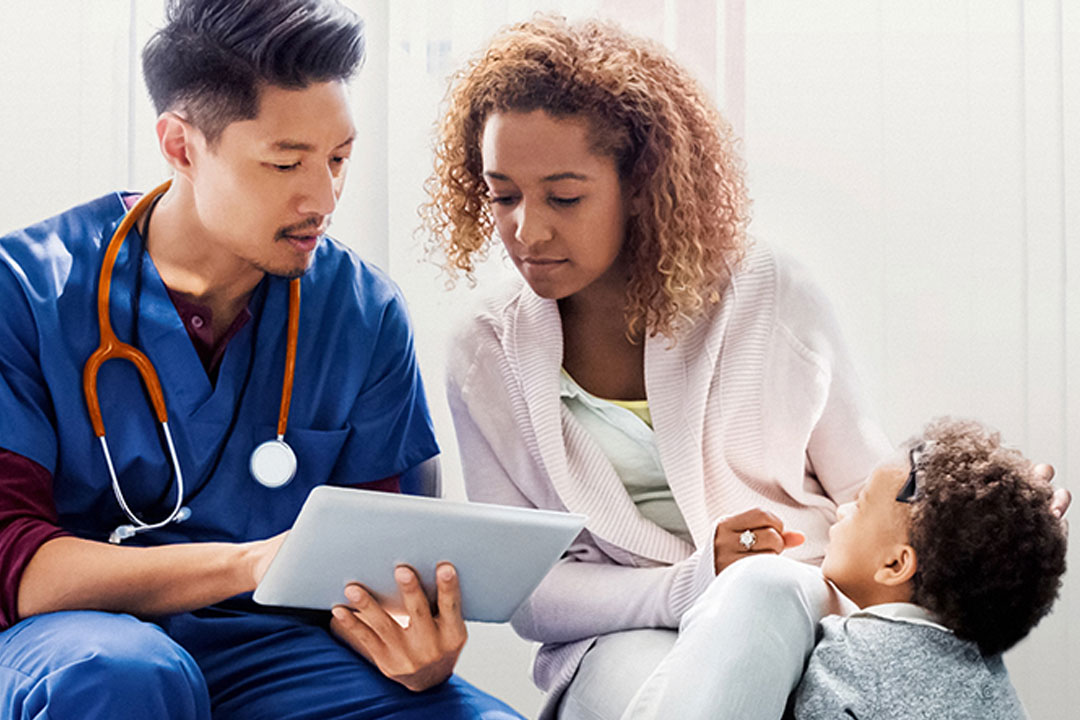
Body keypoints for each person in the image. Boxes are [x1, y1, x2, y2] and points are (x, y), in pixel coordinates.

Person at [422, 15, 1071, 720]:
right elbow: (527, 589)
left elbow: (867, 487)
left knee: (761, 588)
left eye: (565, 196)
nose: (528, 230)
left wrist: (993, 517)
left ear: (639, 183)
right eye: (503, 195)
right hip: (617, 637)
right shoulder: (484, 353)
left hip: (797, 599)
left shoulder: (768, 291)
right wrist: (692, 582)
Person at [0, 2, 520, 719]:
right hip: (70, 639)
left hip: (271, 648)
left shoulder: (361, 314)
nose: (324, 196)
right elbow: (14, 564)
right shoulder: (25, 292)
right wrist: (248, 562)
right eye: (285, 163)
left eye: (339, 159)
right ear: (180, 146)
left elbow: (374, 561)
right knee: (127, 676)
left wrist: (415, 647)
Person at [793, 418, 1067, 718]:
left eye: (859, 504)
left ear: (895, 564)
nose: (841, 510)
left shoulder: (852, 651)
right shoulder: (990, 673)